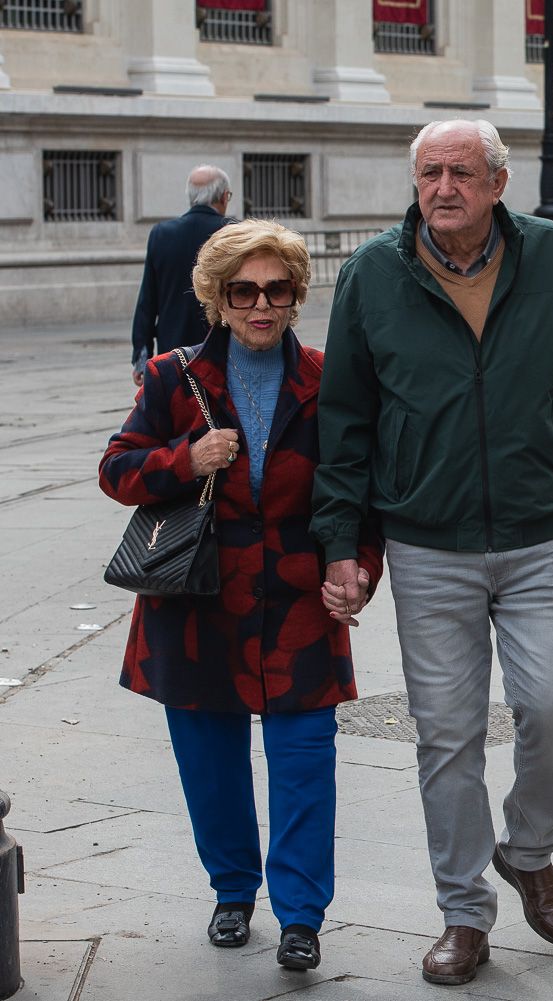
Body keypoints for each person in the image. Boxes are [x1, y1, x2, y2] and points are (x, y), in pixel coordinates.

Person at [311, 119, 553, 988]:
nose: (442, 186)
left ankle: (527, 850)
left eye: (460, 171)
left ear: (497, 181)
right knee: (447, 738)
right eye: (428, 172)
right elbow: (342, 420)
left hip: (538, 536)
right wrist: (340, 542)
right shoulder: (375, 273)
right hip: (427, 544)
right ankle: (463, 911)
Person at [99, 219, 384, 972]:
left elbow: (360, 490)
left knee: (304, 760)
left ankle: (300, 914)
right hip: (196, 601)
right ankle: (232, 890)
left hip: (297, 601)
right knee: (211, 762)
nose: (261, 305)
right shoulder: (171, 377)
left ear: (296, 296)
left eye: (277, 289)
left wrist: (355, 565)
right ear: (217, 298)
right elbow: (117, 469)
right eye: (244, 291)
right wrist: (183, 458)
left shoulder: (329, 378)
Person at [130, 164, 236, 386]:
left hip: (172, 351)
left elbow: (147, 300)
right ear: (224, 197)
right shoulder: (232, 233)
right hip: (221, 347)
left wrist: (142, 357)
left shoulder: (161, 234)